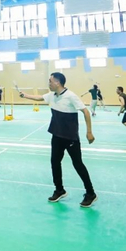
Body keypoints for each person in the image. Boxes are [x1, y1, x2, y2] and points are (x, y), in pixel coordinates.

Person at [19, 72, 97, 208]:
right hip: (56, 135)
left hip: (70, 137)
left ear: (57, 82)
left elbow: (85, 112)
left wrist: (89, 132)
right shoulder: (52, 95)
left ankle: (91, 193)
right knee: (55, 162)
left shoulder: (71, 96)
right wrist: (25, 95)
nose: (48, 83)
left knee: (78, 164)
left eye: (50, 81)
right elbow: (39, 98)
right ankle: (59, 190)